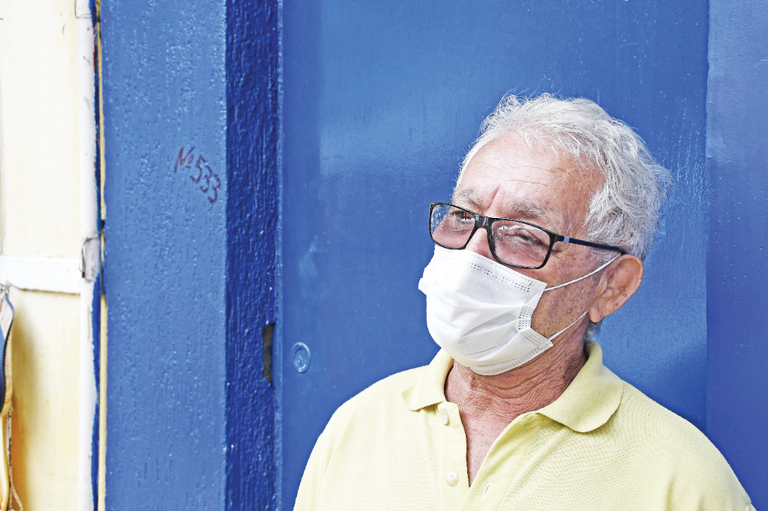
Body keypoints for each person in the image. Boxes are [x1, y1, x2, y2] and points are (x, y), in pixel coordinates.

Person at [294, 94, 754, 510]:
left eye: (523, 235)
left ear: (611, 285)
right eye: (462, 216)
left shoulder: (681, 480)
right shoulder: (358, 427)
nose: (472, 252)